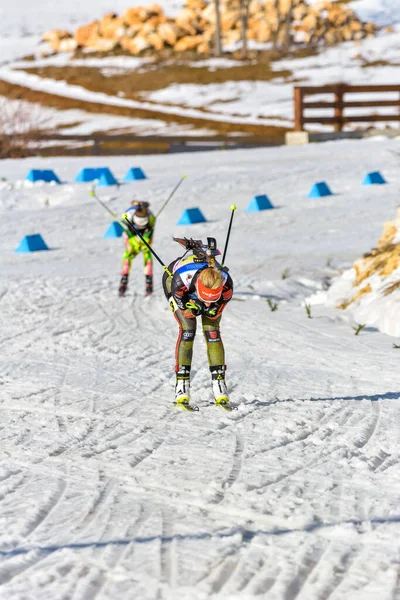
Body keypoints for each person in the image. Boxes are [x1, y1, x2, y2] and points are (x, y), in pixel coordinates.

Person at [162, 237, 233, 408]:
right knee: (188, 328)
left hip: (198, 289)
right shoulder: (181, 280)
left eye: (212, 299)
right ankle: (181, 387)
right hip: (175, 284)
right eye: (205, 299)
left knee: (212, 331)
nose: (208, 303)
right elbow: (183, 304)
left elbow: (214, 308)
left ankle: (219, 385)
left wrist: (210, 307)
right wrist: (191, 306)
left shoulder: (226, 285)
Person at [119, 201, 156, 297]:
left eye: (142, 225)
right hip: (130, 233)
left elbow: (150, 231)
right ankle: (124, 279)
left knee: (147, 253)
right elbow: (126, 232)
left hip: (145, 234)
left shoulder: (151, 218)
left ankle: (149, 282)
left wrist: (145, 241)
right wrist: (134, 242)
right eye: (139, 224)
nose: (140, 226)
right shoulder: (127, 216)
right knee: (128, 254)